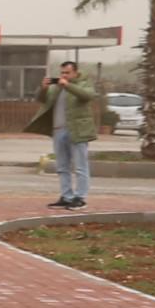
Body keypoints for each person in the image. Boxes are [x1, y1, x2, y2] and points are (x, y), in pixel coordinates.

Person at [27, 60, 105, 208]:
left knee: (80, 165)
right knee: (62, 166)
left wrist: (68, 85)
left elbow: (87, 95)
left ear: (75, 72)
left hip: (77, 130)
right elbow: (41, 99)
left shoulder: (83, 83)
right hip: (58, 130)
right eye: (62, 73)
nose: (64, 76)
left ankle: (80, 197)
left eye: (67, 73)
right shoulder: (56, 87)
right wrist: (43, 88)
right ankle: (66, 196)